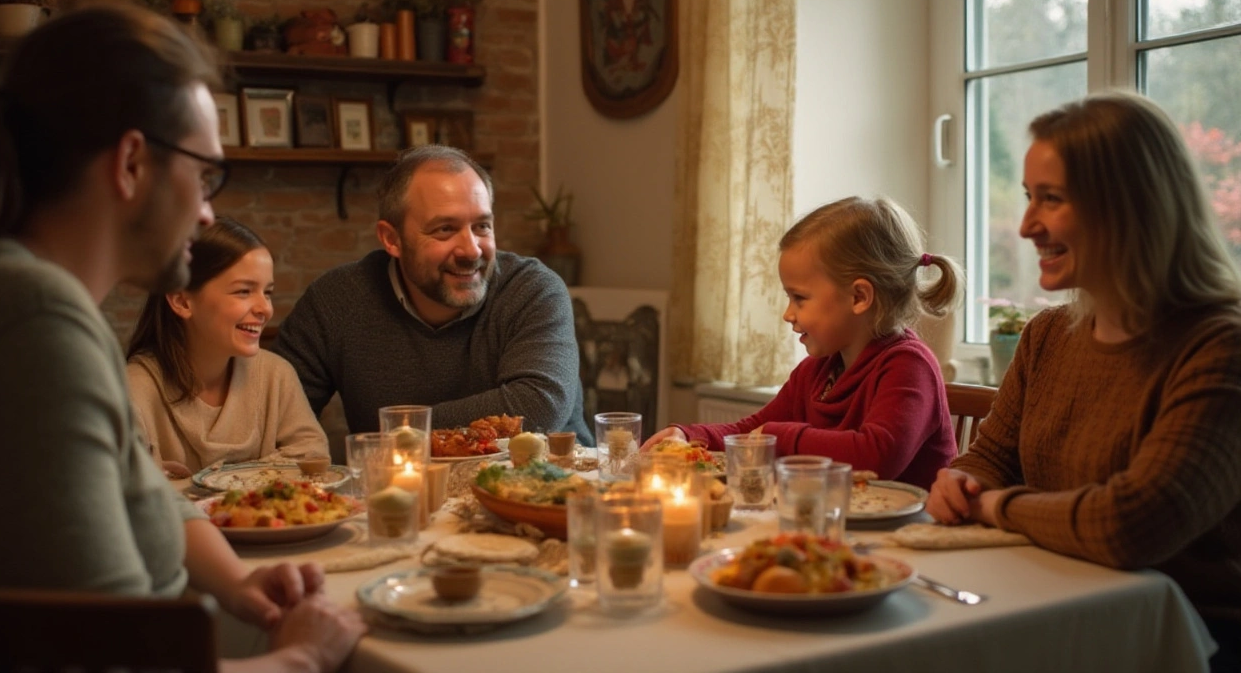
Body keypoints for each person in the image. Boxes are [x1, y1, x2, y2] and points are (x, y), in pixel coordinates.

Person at [0, 6, 364, 672]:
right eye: (205, 174)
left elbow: (146, 493)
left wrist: (238, 584)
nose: (208, 210)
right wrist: (302, 659)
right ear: (130, 163)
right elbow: (108, 658)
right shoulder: (32, 320)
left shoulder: (33, 301)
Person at [925, 92, 1241, 671]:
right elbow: (988, 459)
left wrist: (991, 506)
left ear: (1130, 205)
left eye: (1052, 199)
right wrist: (962, 483)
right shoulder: (1048, 335)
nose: (1025, 226)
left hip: (1187, 640)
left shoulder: (1220, 347)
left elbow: (1129, 527)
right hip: (1054, 603)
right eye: (1027, 198)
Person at [274, 145, 593, 444]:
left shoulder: (532, 290)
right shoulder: (337, 300)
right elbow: (274, 413)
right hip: (403, 499)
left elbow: (539, 405)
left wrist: (396, 432)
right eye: (444, 229)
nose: (471, 250)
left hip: (544, 493)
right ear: (392, 239)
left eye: (482, 226)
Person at [641, 196, 963, 489]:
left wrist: (776, 437)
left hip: (915, 538)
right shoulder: (817, 371)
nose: (788, 313)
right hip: (840, 527)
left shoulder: (909, 366)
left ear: (859, 296)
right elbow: (752, 428)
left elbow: (876, 457)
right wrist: (690, 436)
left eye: (799, 298)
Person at [127, 216, 329, 479]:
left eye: (267, 292)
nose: (265, 309)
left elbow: (314, 458)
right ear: (182, 301)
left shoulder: (275, 373)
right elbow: (134, 492)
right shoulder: (133, 388)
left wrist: (200, 483)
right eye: (244, 291)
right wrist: (272, 472)